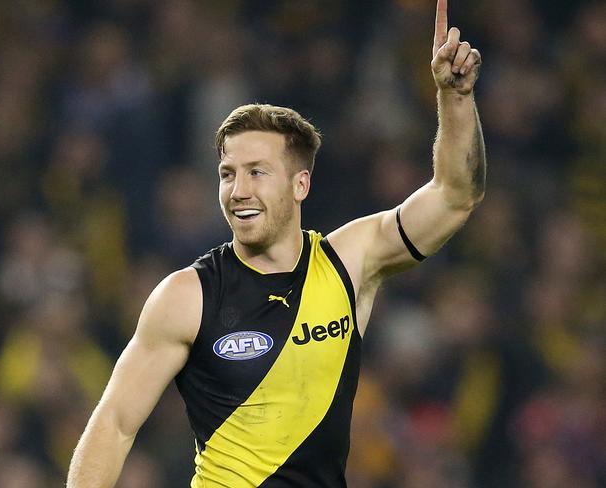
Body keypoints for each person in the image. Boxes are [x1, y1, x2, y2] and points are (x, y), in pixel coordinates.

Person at [67, 0, 485, 486]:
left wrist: (454, 99)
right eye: (227, 174)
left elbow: (455, 197)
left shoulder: (349, 261)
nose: (238, 190)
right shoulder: (187, 296)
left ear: (300, 185)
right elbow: (114, 423)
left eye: (256, 173)